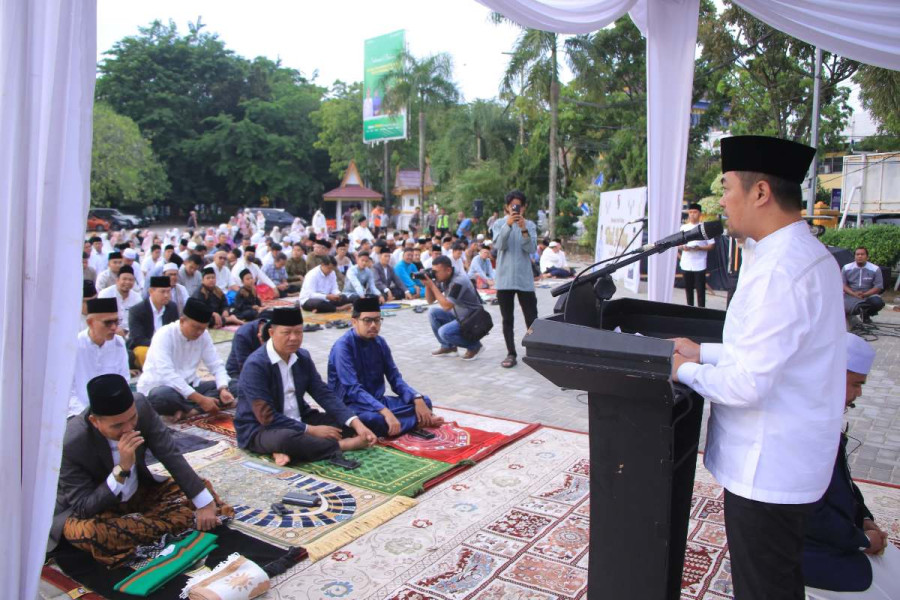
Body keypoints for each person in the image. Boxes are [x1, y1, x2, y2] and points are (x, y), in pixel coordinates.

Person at [671, 136, 845, 600]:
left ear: (761, 192)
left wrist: (680, 369)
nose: (721, 201)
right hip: (786, 458)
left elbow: (749, 382)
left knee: (765, 588)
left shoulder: (781, 269)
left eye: (727, 187)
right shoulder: (791, 254)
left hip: (770, 464)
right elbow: (768, 353)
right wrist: (701, 352)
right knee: (777, 581)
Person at [52, 374, 231, 565]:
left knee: (202, 491)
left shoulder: (141, 406)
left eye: (132, 419)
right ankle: (174, 523)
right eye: (118, 425)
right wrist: (122, 469)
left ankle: (149, 526)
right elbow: (83, 507)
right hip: (99, 510)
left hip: (141, 493)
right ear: (95, 421)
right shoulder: (71, 442)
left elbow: (169, 453)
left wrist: (202, 503)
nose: (129, 428)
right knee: (87, 534)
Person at [803, 333, 900, 598]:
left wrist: (865, 519)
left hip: (838, 537)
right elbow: (809, 513)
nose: (858, 394)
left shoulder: (824, 416)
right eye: (856, 384)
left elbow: (842, 484)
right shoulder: (802, 427)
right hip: (806, 552)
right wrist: (863, 541)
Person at [235, 308, 377, 465]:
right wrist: (311, 430)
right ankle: (341, 445)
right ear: (271, 332)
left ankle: (287, 450)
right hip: (261, 427)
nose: (294, 338)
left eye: (299, 332)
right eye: (287, 333)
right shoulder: (256, 365)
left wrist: (356, 423)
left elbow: (323, 393)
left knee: (352, 424)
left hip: (300, 418)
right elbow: (267, 417)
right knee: (286, 439)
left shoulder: (302, 357)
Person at [328, 297, 443, 437]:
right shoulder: (343, 347)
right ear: (354, 322)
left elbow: (395, 378)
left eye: (377, 320)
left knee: (424, 402)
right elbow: (353, 390)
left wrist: (416, 397)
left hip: (377, 401)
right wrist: (384, 411)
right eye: (367, 320)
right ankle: (418, 421)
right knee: (373, 420)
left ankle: (404, 423)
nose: (373, 325)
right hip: (352, 406)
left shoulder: (380, 342)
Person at [137, 298, 234, 420]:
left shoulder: (203, 335)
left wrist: (223, 389)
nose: (199, 332)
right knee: (160, 397)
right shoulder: (164, 334)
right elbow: (167, 374)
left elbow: (216, 364)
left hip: (191, 386)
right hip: (163, 387)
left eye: (203, 328)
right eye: (196, 327)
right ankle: (200, 406)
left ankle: (189, 411)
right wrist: (201, 400)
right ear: (182, 321)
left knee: (234, 385)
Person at [491, 190, 538, 369]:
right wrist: (508, 226)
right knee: (507, 319)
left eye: (519, 206)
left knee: (532, 318)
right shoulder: (499, 224)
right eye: (512, 206)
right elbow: (499, 245)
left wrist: (523, 228)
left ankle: (535, 351)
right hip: (504, 279)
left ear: (524, 207)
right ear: (507, 207)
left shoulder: (530, 225)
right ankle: (511, 353)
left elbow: (531, 249)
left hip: (524, 279)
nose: (516, 209)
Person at [68, 298, 130, 418]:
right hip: (79, 412)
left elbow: (124, 381)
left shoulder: (119, 343)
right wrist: (89, 416)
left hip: (112, 412)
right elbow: (69, 392)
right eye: (108, 323)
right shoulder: (73, 346)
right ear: (90, 323)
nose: (114, 328)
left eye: (116, 322)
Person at [423, 255, 485, 360]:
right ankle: (448, 347)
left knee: (444, 332)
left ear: (448, 270)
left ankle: (475, 347)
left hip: (473, 319)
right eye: (433, 271)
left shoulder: (459, 281)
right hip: (459, 315)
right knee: (432, 312)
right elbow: (430, 301)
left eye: (436, 271)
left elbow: (446, 306)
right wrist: (427, 284)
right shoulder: (443, 277)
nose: (434, 274)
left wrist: (432, 285)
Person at [128, 276, 179, 368]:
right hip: (146, 347)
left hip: (167, 347)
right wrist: (161, 345)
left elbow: (175, 331)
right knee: (144, 352)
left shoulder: (172, 307)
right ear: (151, 291)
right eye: (163, 292)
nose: (166, 295)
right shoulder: (137, 311)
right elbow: (138, 339)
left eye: (168, 291)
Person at [225, 312, 272, 397]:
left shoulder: (275, 333)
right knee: (248, 391)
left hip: (263, 371)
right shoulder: (243, 334)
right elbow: (245, 368)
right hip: (238, 373)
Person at [679, 203, 715, 307]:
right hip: (686, 262)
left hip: (699, 263)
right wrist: (683, 247)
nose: (692, 215)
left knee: (700, 290)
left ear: (700, 214)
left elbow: (712, 245)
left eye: (695, 212)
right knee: (688, 289)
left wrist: (699, 248)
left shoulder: (704, 227)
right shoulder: (684, 227)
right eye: (690, 212)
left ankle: (701, 310)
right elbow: (678, 244)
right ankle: (690, 308)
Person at [842, 247, 885, 322]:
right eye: (857, 254)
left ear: (867, 257)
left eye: (862, 254)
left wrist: (865, 294)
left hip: (869, 294)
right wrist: (853, 293)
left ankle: (866, 314)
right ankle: (849, 317)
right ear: (854, 256)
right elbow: (843, 284)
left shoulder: (875, 269)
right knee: (841, 303)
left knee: (878, 302)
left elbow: (878, 286)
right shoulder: (846, 268)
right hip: (850, 294)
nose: (860, 256)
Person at [98, 265, 141, 336]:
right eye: (124, 279)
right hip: (109, 332)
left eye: (130, 280)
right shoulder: (105, 294)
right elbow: (101, 318)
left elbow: (138, 321)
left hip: (130, 334)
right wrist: (115, 329)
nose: (127, 282)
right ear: (117, 280)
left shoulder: (137, 298)